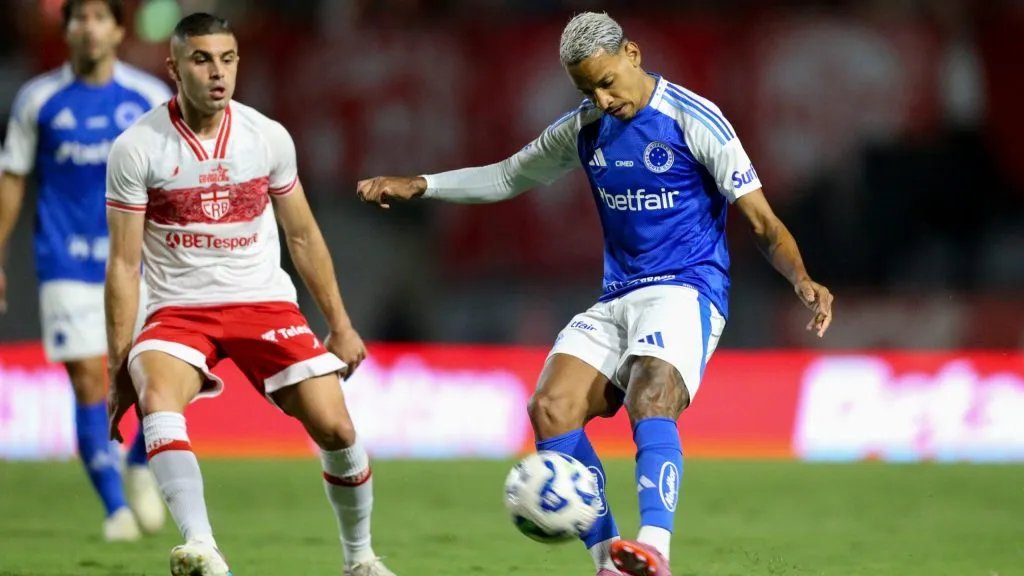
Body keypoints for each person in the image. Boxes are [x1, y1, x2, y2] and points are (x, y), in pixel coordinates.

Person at [356, 11, 834, 576]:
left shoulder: (693, 118)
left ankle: (655, 549)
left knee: (650, 396)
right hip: (617, 296)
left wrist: (801, 278)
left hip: (686, 289)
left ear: (632, 54)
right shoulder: (584, 128)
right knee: (550, 408)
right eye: (588, 91)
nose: (603, 100)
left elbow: (761, 221)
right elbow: (508, 176)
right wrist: (422, 185)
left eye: (607, 83)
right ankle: (611, 563)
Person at [104, 12, 397, 576]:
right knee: (158, 398)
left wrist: (340, 324)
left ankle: (360, 559)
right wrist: (119, 364)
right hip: (177, 310)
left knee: (336, 427)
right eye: (201, 60)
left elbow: (302, 235)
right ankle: (202, 548)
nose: (218, 72)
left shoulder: (266, 137)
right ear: (174, 68)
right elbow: (122, 263)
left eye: (228, 59)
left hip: (262, 302)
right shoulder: (137, 147)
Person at [0, 0, 168, 541]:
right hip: (65, 260)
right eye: (80, 18)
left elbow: (175, 176)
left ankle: (139, 462)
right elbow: (13, 177)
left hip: (138, 261)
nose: (90, 28)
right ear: (67, 30)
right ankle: (116, 508)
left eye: (100, 18)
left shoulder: (148, 97)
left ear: (118, 30)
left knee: (157, 376)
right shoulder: (38, 99)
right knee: (88, 378)